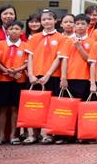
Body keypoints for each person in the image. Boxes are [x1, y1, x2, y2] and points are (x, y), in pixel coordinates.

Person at [24, 9, 66, 144]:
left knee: (51, 106)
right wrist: (30, 74)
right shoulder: (34, 38)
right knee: (35, 106)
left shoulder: (61, 38)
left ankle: (49, 133)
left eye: (49, 19)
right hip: (35, 76)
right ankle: (35, 134)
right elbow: (30, 57)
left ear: (55, 20)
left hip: (52, 76)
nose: (46, 21)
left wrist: (48, 74)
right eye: (44, 19)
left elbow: (59, 58)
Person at [0, 20, 27, 145]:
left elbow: (27, 63)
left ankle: (14, 135)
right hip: (2, 80)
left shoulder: (25, 45)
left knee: (15, 108)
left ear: (22, 31)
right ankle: (1, 136)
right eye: (11, 29)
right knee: (2, 108)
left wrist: (17, 71)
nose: (14, 31)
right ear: (7, 31)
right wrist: (7, 72)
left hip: (19, 80)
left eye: (17, 29)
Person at [60, 14, 94, 102]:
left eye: (83, 24)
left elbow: (90, 61)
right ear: (74, 25)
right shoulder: (68, 41)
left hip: (85, 78)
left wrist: (79, 47)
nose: (80, 26)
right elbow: (64, 59)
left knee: (83, 105)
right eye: (77, 24)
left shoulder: (92, 42)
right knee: (68, 106)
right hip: (69, 77)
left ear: (88, 25)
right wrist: (63, 77)